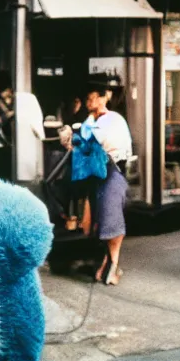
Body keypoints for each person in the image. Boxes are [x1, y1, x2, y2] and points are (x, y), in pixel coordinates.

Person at [64, 87, 132, 285]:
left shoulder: (113, 119)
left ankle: (113, 262)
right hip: (93, 174)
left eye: (95, 96)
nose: (90, 100)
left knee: (110, 217)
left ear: (105, 98)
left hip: (112, 170)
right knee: (96, 220)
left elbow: (99, 140)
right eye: (88, 97)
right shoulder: (88, 120)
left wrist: (79, 137)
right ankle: (107, 263)